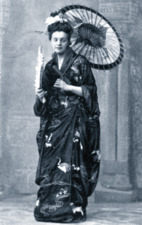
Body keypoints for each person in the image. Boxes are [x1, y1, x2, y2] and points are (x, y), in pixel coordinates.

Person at [34, 10, 100, 223]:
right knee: (53, 161)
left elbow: (91, 90)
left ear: (69, 40)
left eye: (63, 39)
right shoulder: (49, 66)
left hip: (75, 120)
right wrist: (41, 97)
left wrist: (69, 87)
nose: (59, 43)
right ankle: (48, 205)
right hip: (55, 121)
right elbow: (44, 101)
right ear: (51, 40)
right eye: (55, 40)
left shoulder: (80, 62)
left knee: (75, 161)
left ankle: (76, 205)